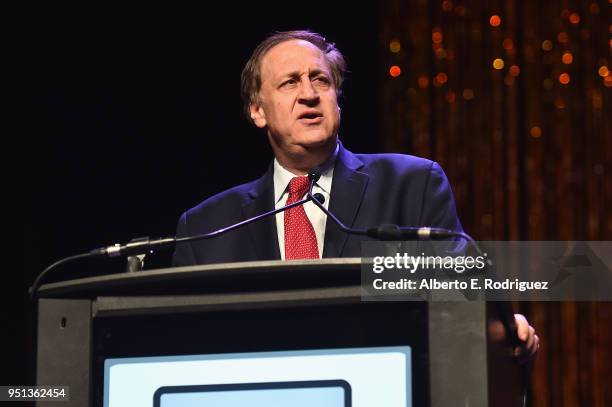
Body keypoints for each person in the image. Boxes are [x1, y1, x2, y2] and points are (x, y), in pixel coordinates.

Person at [172, 30, 539, 359]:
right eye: (289, 83)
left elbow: (462, 292)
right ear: (257, 111)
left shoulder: (412, 184)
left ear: (337, 98)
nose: (309, 94)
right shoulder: (208, 227)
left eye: (321, 80)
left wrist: (496, 324)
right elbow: (180, 340)